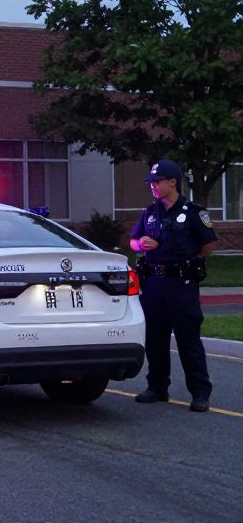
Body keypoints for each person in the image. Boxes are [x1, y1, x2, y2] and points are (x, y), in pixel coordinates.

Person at [129, 159, 216, 413]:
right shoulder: (149, 213)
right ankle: (157, 387)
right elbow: (134, 241)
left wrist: (179, 255)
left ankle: (200, 393)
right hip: (154, 283)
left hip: (181, 283)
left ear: (172, 182)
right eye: (151, 182)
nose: (153, 186)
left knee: (188, 338)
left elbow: (208, 246)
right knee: (155, 337)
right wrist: (140, 244)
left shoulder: (193, 211)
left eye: (157, 182)